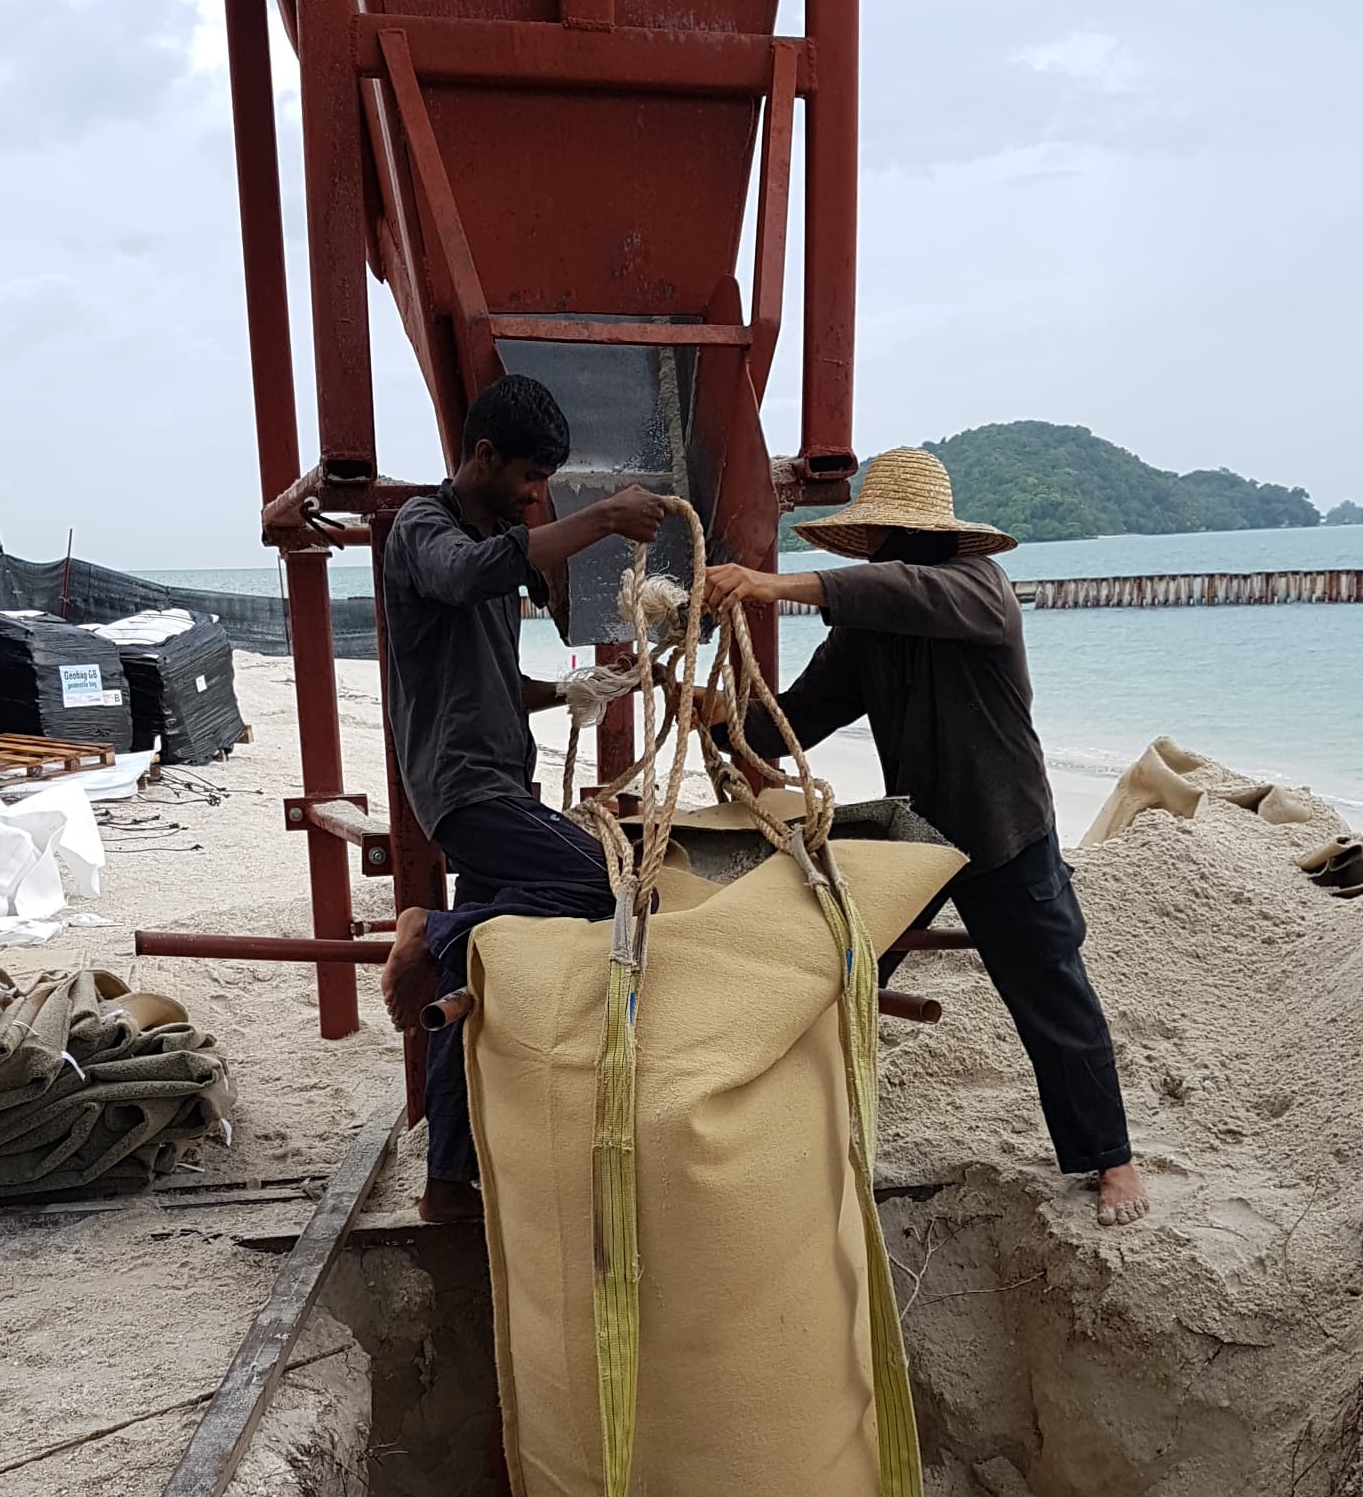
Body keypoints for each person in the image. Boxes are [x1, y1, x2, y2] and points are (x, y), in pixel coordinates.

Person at [703, 447, 1148, 1228]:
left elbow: (905, 591)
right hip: (915, 833)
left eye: (880, 539)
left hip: (1005, 830)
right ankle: (803, 1124)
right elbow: (797, 719)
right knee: (841, 970)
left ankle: (1112, 1161)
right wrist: (722, 718)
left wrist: (775, 585)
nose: (878, 552)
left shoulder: (981, 591)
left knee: (1051, 996)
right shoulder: (867, 631)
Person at [380, 374, 666, 1222]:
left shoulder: (501, 533)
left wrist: (581, 690)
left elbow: (496, 680)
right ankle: (428, 929)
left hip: (501, 775)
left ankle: (445, 1186)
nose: (535, 498)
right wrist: (604, 518)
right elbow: (465, 576)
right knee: (609, 883)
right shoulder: (421, 530)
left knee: (474, 979)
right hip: (461, 788)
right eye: (527, 480)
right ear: (481, 456)